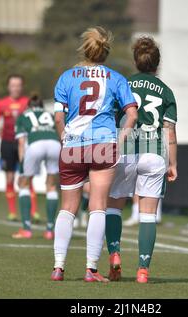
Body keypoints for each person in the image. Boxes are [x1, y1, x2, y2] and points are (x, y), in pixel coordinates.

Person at [51, 27, 138, 283]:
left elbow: (58, 116)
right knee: (98, 206)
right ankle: (91, 269)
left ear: (85, 50)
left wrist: (63, 138)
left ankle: (58, 267)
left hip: (73, 146)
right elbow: (131, 114)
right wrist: (121, 138)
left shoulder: (67, 77)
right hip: (103, 146)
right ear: (105, 51)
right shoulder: (116, 78)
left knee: (67, 208)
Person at [105, 37, 178, 283]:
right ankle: (143, 270)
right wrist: (173, 163)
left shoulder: (124, 84)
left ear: (136, 61)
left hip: (126, 150)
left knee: (113, 206)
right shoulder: (166, 91)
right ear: (157, 64)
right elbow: (170, 131)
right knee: (148, 215)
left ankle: (114, 254)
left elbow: (114, 119)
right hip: (155, 153)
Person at [0, 75, 39, 222]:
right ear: (8, 87)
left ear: (22, 87)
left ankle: (34, 211)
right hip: (7, 144)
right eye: (13, 85)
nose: (15, 88)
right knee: (9, 178)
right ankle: (12, 212)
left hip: (24, 144)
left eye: (18, 85)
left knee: (28, 177)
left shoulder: (27, 103)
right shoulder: (1, 104)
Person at [12, 95, 61, 240]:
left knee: (24, 184)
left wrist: (22, 164)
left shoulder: (23, 115)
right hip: (54, 145)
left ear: (29, 105)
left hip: (35, 145)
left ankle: (27, 229)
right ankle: (50, 230)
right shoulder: (50, 114)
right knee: (51, 186)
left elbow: (21, 142)